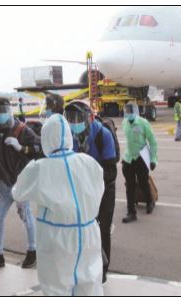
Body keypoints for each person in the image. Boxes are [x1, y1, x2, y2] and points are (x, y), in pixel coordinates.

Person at [12, 114, 104, 296]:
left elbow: (18, 192)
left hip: (57, 237)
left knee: (56, 287)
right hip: (89, 233)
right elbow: (99, 188)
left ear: (46, 138)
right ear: (69, 137)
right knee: (90, 283)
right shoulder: (88, 162)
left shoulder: (40, 168)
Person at [0, 97, 40, 270]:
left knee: (26, 217)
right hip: (4, 183)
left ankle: (32, 251)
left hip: (21, 182)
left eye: (3, 112)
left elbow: (39, 147)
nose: (0, 115)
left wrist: (21, 147)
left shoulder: (22, 130)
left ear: (9, 111)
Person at [64, 101, 117, 283]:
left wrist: (91, 184)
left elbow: (111, 171)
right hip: (82, 192)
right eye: (70, 119)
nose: (74, 123)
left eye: (78, 119)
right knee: (83, 230)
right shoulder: (69, 136)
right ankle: (84, 265)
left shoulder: (103, 135)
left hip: (104, 190)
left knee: (102, 230)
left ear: (90, 117)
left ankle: (102, 270)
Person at [121, 101, 158, 223]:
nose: (128, 113)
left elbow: (152, 141)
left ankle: (149, 201)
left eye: (130, 111)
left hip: (141, 158)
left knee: (143, 182)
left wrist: (153, 159)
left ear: (135, 111)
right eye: (127, 111)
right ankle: (131, 212)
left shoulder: (143, 123)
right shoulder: (124, 123)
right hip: (128, 158)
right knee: (129, 186)